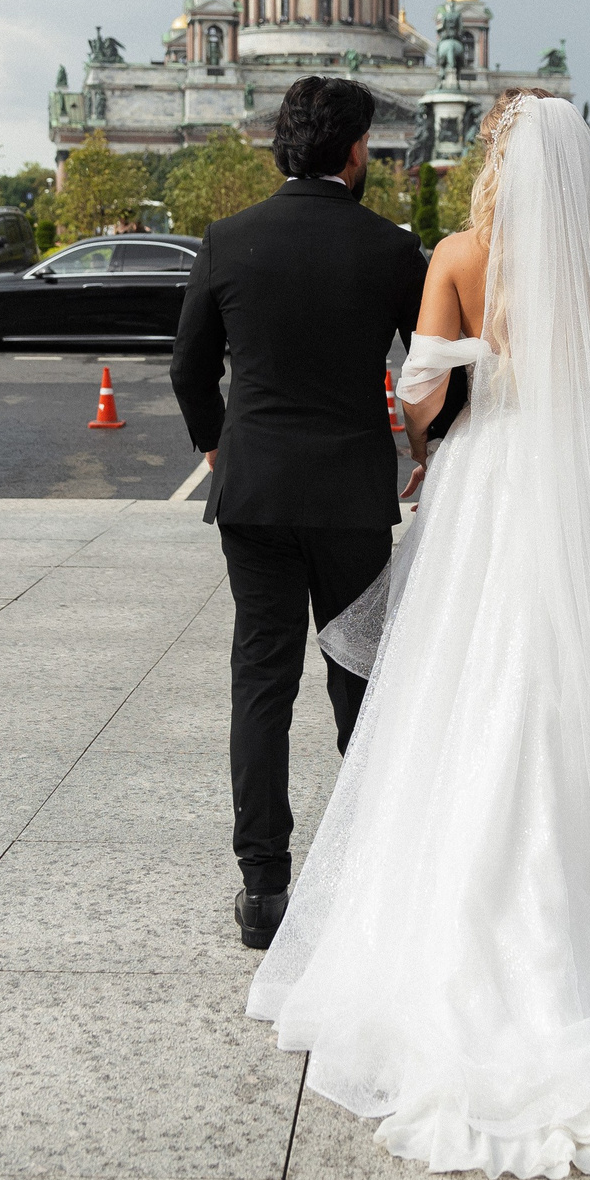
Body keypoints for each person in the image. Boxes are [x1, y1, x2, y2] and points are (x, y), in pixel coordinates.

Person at [247, 92, 590, 1180]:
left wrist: (437, 427)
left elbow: (419, 393)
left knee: (470, 670)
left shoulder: (458, 251)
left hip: (492, 479)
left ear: (495, 163)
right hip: (572, 487)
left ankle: (463, 887)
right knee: (573, 674)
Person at [170, 75, 427, 952]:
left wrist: (216, 443)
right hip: (353, 497)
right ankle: (372, 873)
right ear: (357, 153)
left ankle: (263, 889)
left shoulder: (228, 239)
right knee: (359, 683)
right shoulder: (390, 250)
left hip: (254, 497)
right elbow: (429, 372)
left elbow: (188, 369)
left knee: (262, 685)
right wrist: (428, 449)